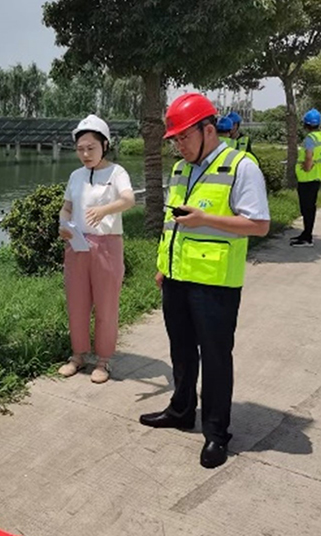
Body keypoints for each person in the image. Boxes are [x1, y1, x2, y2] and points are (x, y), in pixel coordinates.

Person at [140, 93, 270, 469]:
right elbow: (174, 224)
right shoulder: (182, 169)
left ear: (208, 130)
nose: (179, 145)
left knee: (215, 358)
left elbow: (259, 224)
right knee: (181, 350)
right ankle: (181, 410)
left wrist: (206, 219)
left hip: (215, 284)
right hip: (177, 277)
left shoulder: (241, 167)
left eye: (184, 137)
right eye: (175, 139)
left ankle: (216, 433)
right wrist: (164, 266)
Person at [57, 115, 135, 384]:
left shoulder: (117, 173)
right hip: (77, 244)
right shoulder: (76, 176)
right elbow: (67, 207)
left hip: (107, 245)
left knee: (106, 305)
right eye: (80, 149)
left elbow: (128, 199)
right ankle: (78, 355)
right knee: (76, 303)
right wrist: (63, 224)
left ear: (105, 145)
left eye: (91, 148)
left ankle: (103, 359)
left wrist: (104, 210)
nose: (85, 154)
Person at [291, 108, 321, 247]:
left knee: (306, 208)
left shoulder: (310, 139)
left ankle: (307, 237)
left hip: (306, 177)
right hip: (316, 177)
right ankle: (306, 233)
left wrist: (307, 167)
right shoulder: (319, 137)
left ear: (306, 124)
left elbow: (309, 157)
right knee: (310, 207)